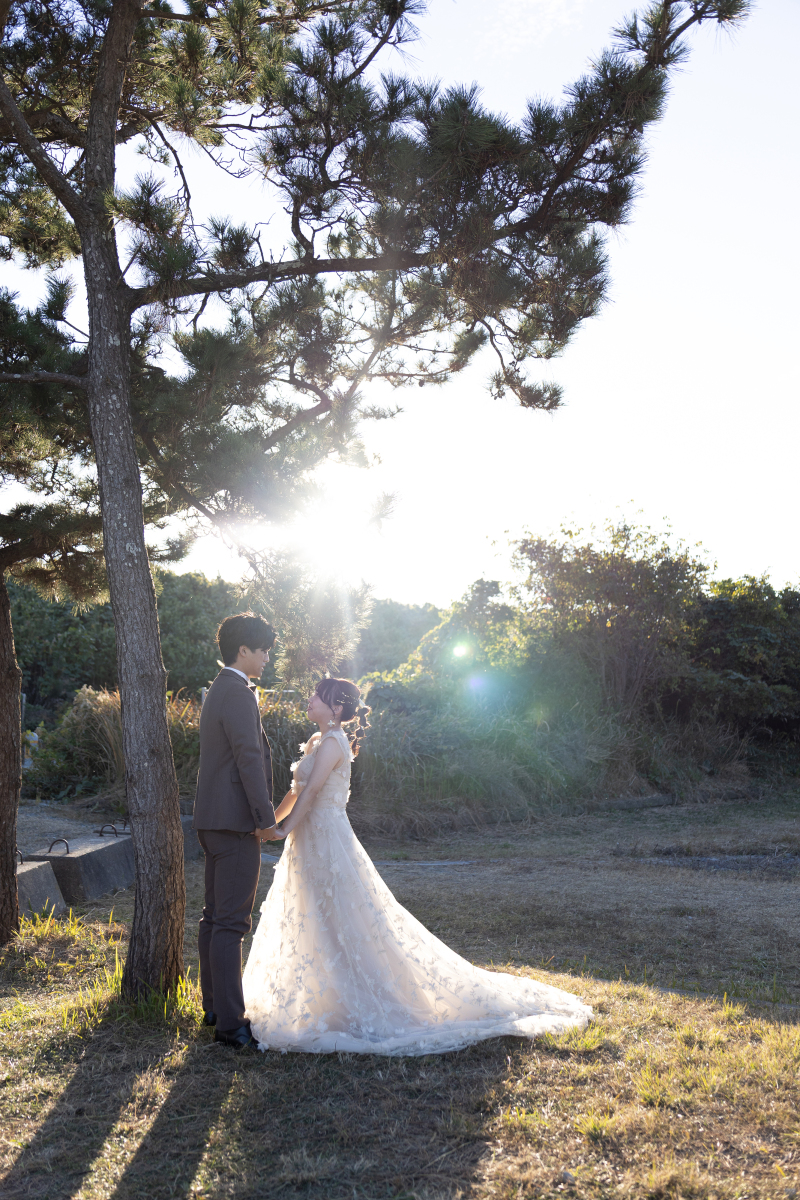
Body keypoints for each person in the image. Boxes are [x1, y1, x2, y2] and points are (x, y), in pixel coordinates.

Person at [243, 677, 592, 1055]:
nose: (309, 699)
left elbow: (312, 794)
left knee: (346, 916)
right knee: (315, 915)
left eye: (318, 696)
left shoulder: (334, 743)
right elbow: (295, 791)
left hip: (327, 838)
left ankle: (364, 998)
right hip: (307, 839)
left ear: (337, 709)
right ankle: (327, 999)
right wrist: (270, 824)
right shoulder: (314, 741)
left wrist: (282, 831)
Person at [194, 612, 285, 1049]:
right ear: (243, 650)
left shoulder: (220, 689)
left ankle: (214, 1006)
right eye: (264, 649)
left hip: (212, 818)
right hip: (233, 822)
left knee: (214, 918)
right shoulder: (236, 691)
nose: (267, 657)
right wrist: (266, 819)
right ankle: (231, 1024)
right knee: (230, 923)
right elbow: (248, 757)